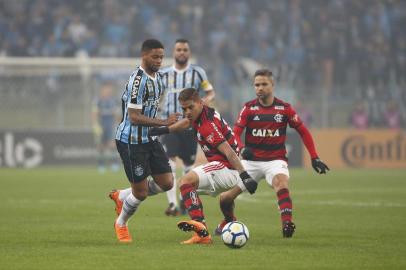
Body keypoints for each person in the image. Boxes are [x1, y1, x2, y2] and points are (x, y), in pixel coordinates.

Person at [110, 88, 257, 244]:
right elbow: (185, 123)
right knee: (171, 183)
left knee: (186, 181)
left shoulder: (208, 126)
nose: (187, 112)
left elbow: (228, 152)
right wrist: (160, 130)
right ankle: (124, 195)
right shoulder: (201, 111)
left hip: (227, 169)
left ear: (199, 103)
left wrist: (245, 176)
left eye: (190, 107)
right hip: (224, 168)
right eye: (183, 108)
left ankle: (202, 233)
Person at [218, 68, 329, 238]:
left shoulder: (284, 109)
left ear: (272, 85)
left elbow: (303, 131)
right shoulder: (248, 108)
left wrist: (315, 157)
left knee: (281, 183)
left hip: (275, 161)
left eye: (264, 84)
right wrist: (241, 148)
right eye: (256, 85)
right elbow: (235, 132)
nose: (260, 88)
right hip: (251, 162)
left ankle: (287, 223)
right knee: (225, 198)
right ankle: (229, 219)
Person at [111, 39, 181, 243]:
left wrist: (165, 127)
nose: (159, 61)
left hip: (149, 138)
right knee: (140, 194)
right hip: (130, 142)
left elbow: (150, 110)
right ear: (144, 56)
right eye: (155, 57)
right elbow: (134, 116)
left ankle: (121, 195)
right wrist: (164, 122)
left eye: (161, 56)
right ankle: (121, 223)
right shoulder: (137, 81)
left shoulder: (158, 79)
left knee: (167, 183)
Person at [159, 38, 216, 216]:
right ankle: (172, 205)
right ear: (173, 52)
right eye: (179, 50)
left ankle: (185, 201)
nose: (182, 52)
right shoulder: (164, 74)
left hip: (191, 125)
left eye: (185, 50)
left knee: (188, 165)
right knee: (170, 162)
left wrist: (204, 103)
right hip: (170, 124)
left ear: (189, 52)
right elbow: (157, 95)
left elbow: (210, 92)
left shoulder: (198, 73)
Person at [91, 81, 120, 173]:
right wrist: (95, 125)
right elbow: (94, 113)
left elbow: (117, 114)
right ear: (102, 90)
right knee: (101, 146)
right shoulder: (98, 100)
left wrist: (118, 125)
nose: (108, 90)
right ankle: (101, 165)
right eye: (106, 89)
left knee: (112, 144)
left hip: (111, 125)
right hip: (101, 125)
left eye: (109, 89)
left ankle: (114, 164)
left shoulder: (113, 100)